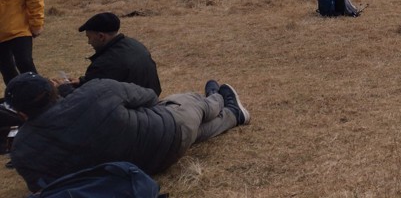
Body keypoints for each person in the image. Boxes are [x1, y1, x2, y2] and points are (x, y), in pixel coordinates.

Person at [4, 72, 250, 192]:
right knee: (185, 103)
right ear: (54, 90)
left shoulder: (22, 150)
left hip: (137, 171)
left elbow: (42, 188)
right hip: (167, 134)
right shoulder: (96, 91)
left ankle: (233, 114)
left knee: (194, 131)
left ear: (20, 113)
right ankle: (217, 97)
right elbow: (150, 97)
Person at [56, 12, 162, 96]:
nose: (89, 42)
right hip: (150, 102)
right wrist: (81, 81)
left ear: (101, 37)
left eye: (89, 37)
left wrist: (63, 88)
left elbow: (85, 100)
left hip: (130, 113)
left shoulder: (105, 63)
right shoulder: (134, 44)